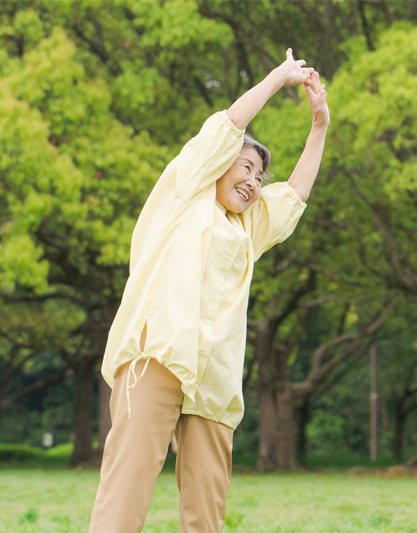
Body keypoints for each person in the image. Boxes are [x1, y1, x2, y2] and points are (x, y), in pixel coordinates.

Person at [89, 49, 329, 533]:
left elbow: (295, 195)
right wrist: (278, 79)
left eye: (259, 176)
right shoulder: (186, 191)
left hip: (215, 380)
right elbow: (229, 122)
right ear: (219, 163)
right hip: (156, 355)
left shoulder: (246, 228)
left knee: (206, 513)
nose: (253, 181)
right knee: (125, 494)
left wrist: (319, 127)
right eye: (244, 167)